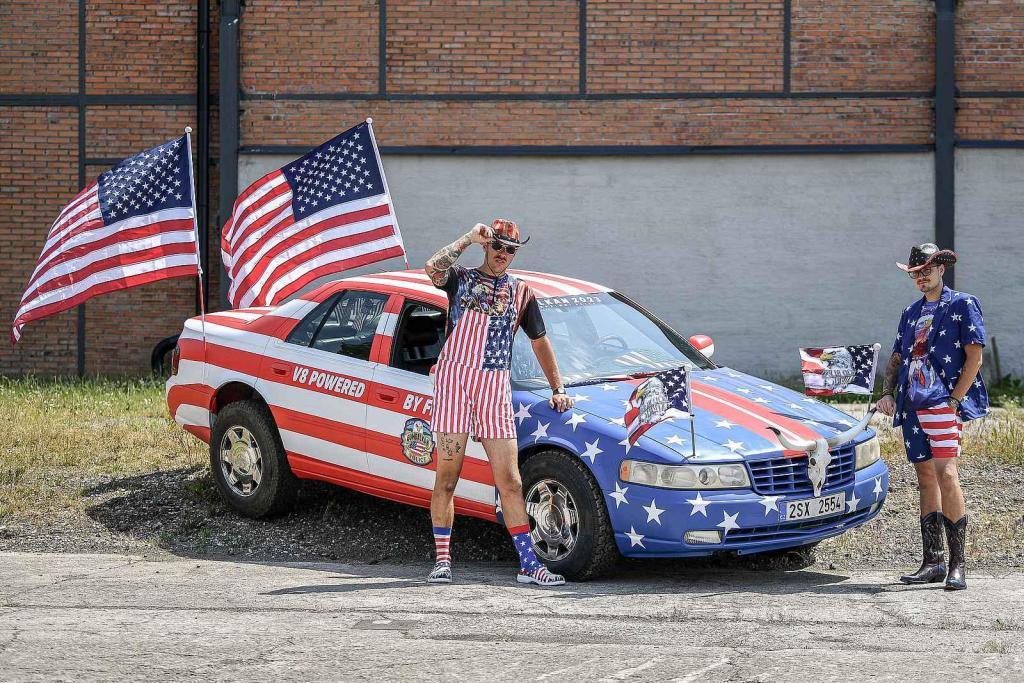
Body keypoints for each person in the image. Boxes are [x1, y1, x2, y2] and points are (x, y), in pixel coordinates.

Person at [423, 218, 575, 586]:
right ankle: (442, 561)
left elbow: (540, 341)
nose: (504, 255)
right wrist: (467, 238)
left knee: (510, 479)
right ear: (486, 246)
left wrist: (558, 387)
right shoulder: (461, 279)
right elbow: (432, 268)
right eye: (498, 247)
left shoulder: (522, 293)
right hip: (454, 380)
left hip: (493, 384)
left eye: (511, 250)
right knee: (447, 478)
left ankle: (529, 565)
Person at [876, 243, 988, 590]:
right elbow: (897, 356)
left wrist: (955, 400)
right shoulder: (910, 312)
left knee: (947, 474)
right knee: (925, 477)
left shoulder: (962, 304)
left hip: (942, 402)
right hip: (912, 404)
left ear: (941, 268)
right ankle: (933, 561)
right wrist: (887, 392)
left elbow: (975, 357)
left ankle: (958, 564)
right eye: (915, 273)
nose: (921, 277)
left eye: (927, 270)